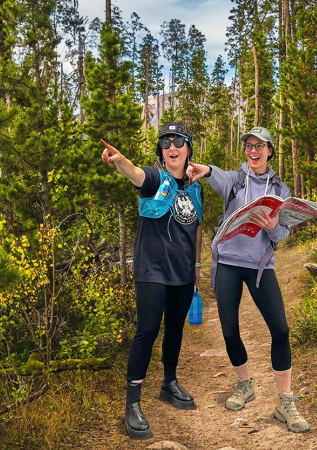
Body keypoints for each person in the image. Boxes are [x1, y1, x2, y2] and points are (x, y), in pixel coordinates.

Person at [187, 126, 309, 433]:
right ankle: (245, 385)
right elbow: (217, 176)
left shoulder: (279, 188)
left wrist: (270, 225)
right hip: (227, 263)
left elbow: (281, 234)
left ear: (270, 150)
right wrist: (204, 170)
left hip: (260, 267)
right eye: (248, 146)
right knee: (229, 332)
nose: (253, 151)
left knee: (280, 330)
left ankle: (285, 400)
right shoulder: (236, 179)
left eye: (259, 146)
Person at [101, 122, 203, 439]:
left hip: (183, 272)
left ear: (188, 150)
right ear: (162, 152)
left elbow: (196, 225)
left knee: (175, 328)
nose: (172, 147)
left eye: (179, 142)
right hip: (152, 270)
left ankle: (169, 383)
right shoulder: (156, 179)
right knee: (147, 330)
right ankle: (132, 404)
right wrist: (119, 161)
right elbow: (136, 174)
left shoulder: (195, 186)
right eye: (166, 143)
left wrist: (197, 263)